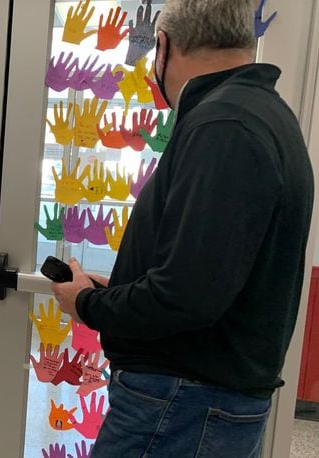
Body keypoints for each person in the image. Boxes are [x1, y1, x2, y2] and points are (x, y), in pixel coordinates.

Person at [52, 0, 314, 456]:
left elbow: (185, 297)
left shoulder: (224, 125)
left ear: (164, 45)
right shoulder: (261, 114)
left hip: (181, 404)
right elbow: (209, 275)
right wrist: (120, 291)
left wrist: (89, 304)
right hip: (202, 401)